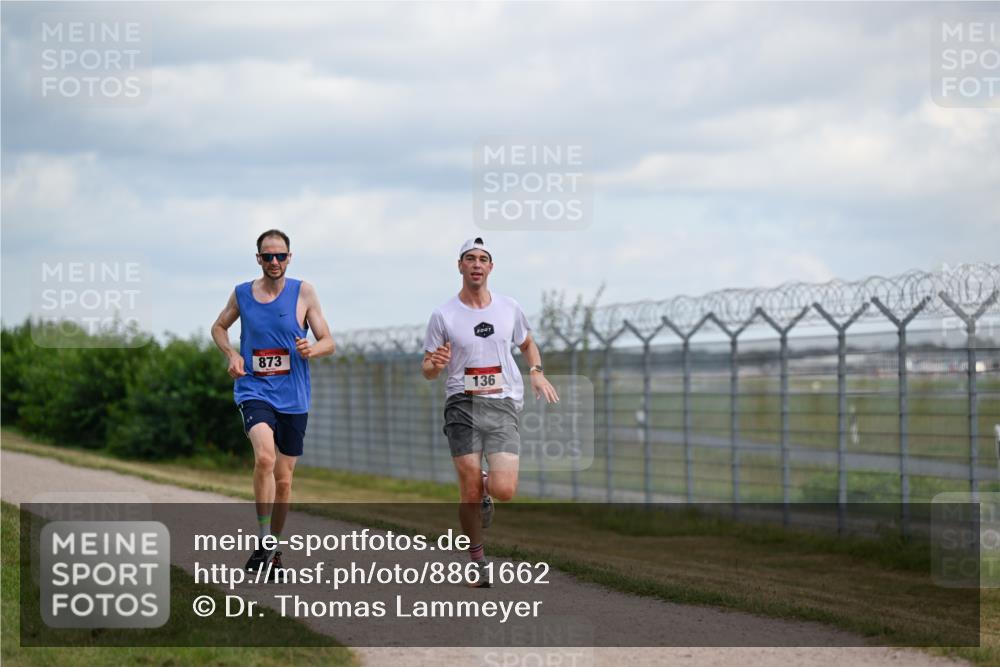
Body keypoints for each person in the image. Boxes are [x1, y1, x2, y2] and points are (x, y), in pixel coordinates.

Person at [422, 237, 559, 587]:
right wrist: (434, 364)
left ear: (491, 267)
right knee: (467, 485)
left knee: (504, 490)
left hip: (502, 402)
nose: (477, 264)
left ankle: (486, 487)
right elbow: (428, 367)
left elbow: (527, 345)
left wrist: (537, 373)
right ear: (460, 266)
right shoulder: (444, 314)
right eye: (470, 258)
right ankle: (478, 561)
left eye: (483, 259)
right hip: (461, 402)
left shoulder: (508, 308)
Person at [211, 229, 335, 576]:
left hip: (293, 397)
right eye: (268, 256)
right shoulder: (242, 294)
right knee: (265, 457)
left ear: (290, 257)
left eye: (281, 256)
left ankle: (273, 550)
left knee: (284, 480)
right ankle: (265, 540)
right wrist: (232, 353)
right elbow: (218, 327)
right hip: (254, 390)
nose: (275, 262)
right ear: (259, 259)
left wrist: (314, 348)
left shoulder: (304, 292)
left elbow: (329, 341)